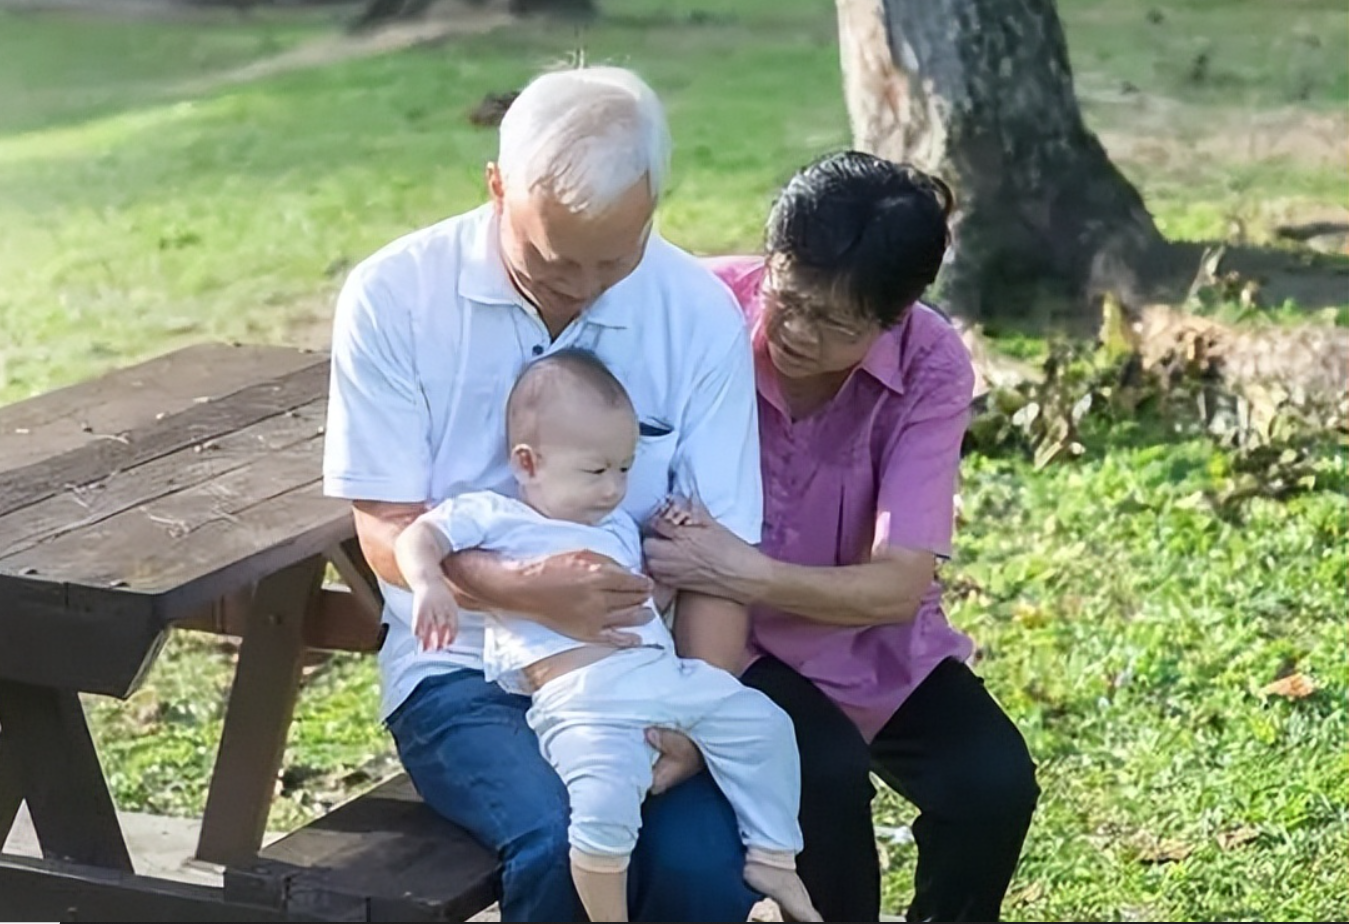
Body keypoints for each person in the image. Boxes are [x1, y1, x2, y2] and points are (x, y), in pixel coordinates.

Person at [322, 65, 767, 921]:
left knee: (709, 870)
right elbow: (382, 526)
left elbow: (717, 560)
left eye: (617, 256)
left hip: (644, 669)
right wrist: (522, 590)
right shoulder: (393, 296)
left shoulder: (698, 314)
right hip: (461, 674)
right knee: (567, 841)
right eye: (556, 260)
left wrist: (691, 717)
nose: (585, 286)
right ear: (496, 187)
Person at [643, 150, 1041, 923]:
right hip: (725, 639)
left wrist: (741, 570)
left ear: (894, 315)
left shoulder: (929, 361)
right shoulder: (698, 309)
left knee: (992, 784)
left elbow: (897, 586)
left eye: (832, 321)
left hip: (860, 634)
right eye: (786, 298)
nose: (793, 330)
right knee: (821, 772)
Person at [393, 351, 820, 923]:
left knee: (763, 725)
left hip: (662, 680)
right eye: (597, 472)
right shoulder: (497, 518)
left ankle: (773, 855)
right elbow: (417, 536)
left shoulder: (616, 527)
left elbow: (645, 601)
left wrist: (673, 556)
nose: (614, 488)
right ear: (528, 462)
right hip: (583, 703)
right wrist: (428, 584)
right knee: (602, 807)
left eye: (625, 468)